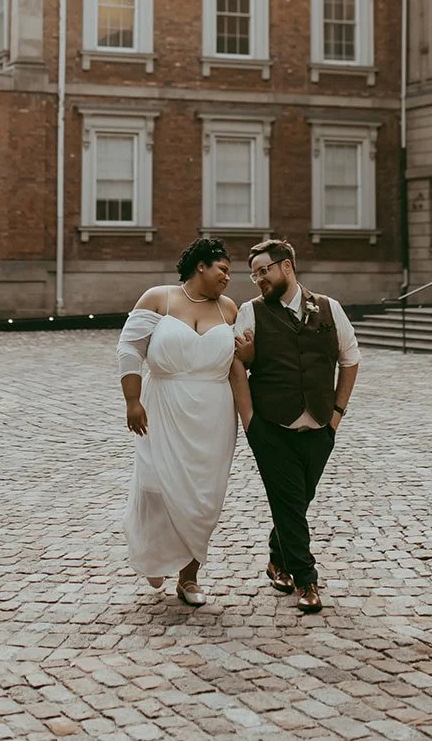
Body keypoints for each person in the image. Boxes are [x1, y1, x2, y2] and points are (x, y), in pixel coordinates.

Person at [117, 236, 249, 606]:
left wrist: (249, 353)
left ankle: (189, 577)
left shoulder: (230, 309)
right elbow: (129, 348)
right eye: (223, 269)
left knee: (204, 496)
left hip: (214, 414)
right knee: (155, 484)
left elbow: (242, 363)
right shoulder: (159, 298)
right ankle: (155, 555)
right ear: (201, 266)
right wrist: (132, 400)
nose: (227, 277)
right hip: (163, 405)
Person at [231, 237, 359, 613]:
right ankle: (307, 580)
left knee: (296, 503)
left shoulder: (330, 308)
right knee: (288, 501)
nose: (258, 280)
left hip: (320, 427)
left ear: (287, 266)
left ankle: (277, 559)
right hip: (271, 427)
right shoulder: (250, 311)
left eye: (264, 271)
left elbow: (350, 360)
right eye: (254, 274)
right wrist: (249, 421)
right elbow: (236, 365)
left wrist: (336, 415)